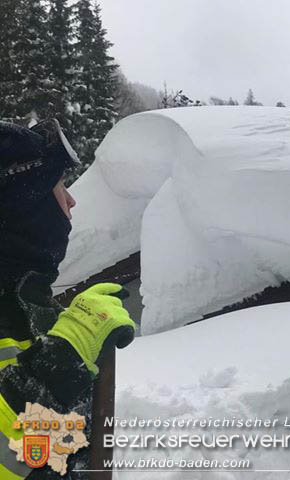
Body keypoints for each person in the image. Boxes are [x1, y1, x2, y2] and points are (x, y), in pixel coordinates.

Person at [0, 119, 136, 479]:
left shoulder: (30, 303)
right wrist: (67, 352)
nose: (72, 200)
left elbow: (50, 456)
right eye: (59, 185)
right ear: (24, 202)